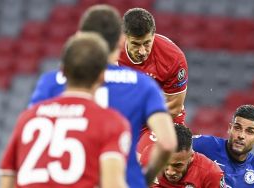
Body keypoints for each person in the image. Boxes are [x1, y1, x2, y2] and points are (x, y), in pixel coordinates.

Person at [28, 5, 177, 188]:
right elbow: (168, 142)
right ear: (119, 42)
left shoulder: (51, 82)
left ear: (79, 39)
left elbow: (32, 134)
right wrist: (143, 178)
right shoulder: (142, 85)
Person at [0, 33, 131, 188]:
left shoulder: (29, 117)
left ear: (62, 71)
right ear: (102, 76)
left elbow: (7, 176)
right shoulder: (111, 122)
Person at [118, 8, 188, 153]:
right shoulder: (110, 52)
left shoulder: (173, 58)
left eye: (147, 43)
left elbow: (173, 108)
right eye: (136, 44)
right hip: (127, 115)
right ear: (125, 37)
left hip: (162, 117)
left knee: (142, 159)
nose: (142, 51)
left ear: (153, 34)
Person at [192, 104, 254, 188]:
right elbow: (179, 144)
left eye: (249, 131)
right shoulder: (205, 145)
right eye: (237, 128)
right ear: (229, 128)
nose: (241, 136)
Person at [140, 124, 226, 188]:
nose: (170, 172)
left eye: (177, 165)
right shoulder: (149, 157)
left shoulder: (211, 174)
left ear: (191, 156)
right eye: (165, 163)